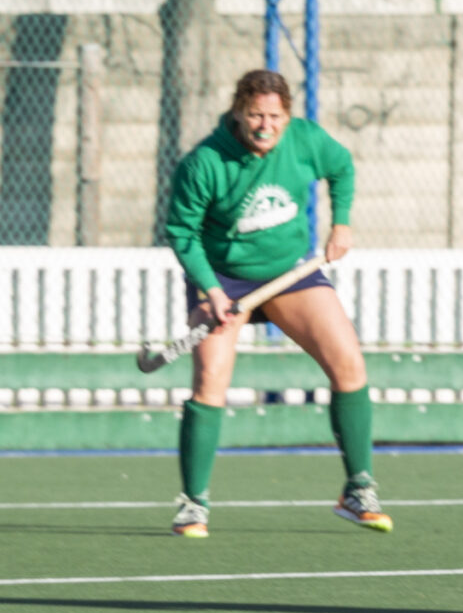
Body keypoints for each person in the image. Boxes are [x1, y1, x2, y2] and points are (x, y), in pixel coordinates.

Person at [162, 68, 385, 537]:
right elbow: (182, 233)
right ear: (238, 112)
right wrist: (212, 291)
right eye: (255, 116)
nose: (265, 126)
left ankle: (358, 489)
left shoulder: (304, 140)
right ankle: (193, 503)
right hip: (221, 278)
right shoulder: (205, 162)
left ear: (287, 116)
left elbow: (341, 167)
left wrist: (341, 223)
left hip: (289, 273)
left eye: (274, 117)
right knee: (210, 381)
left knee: (348, 362)